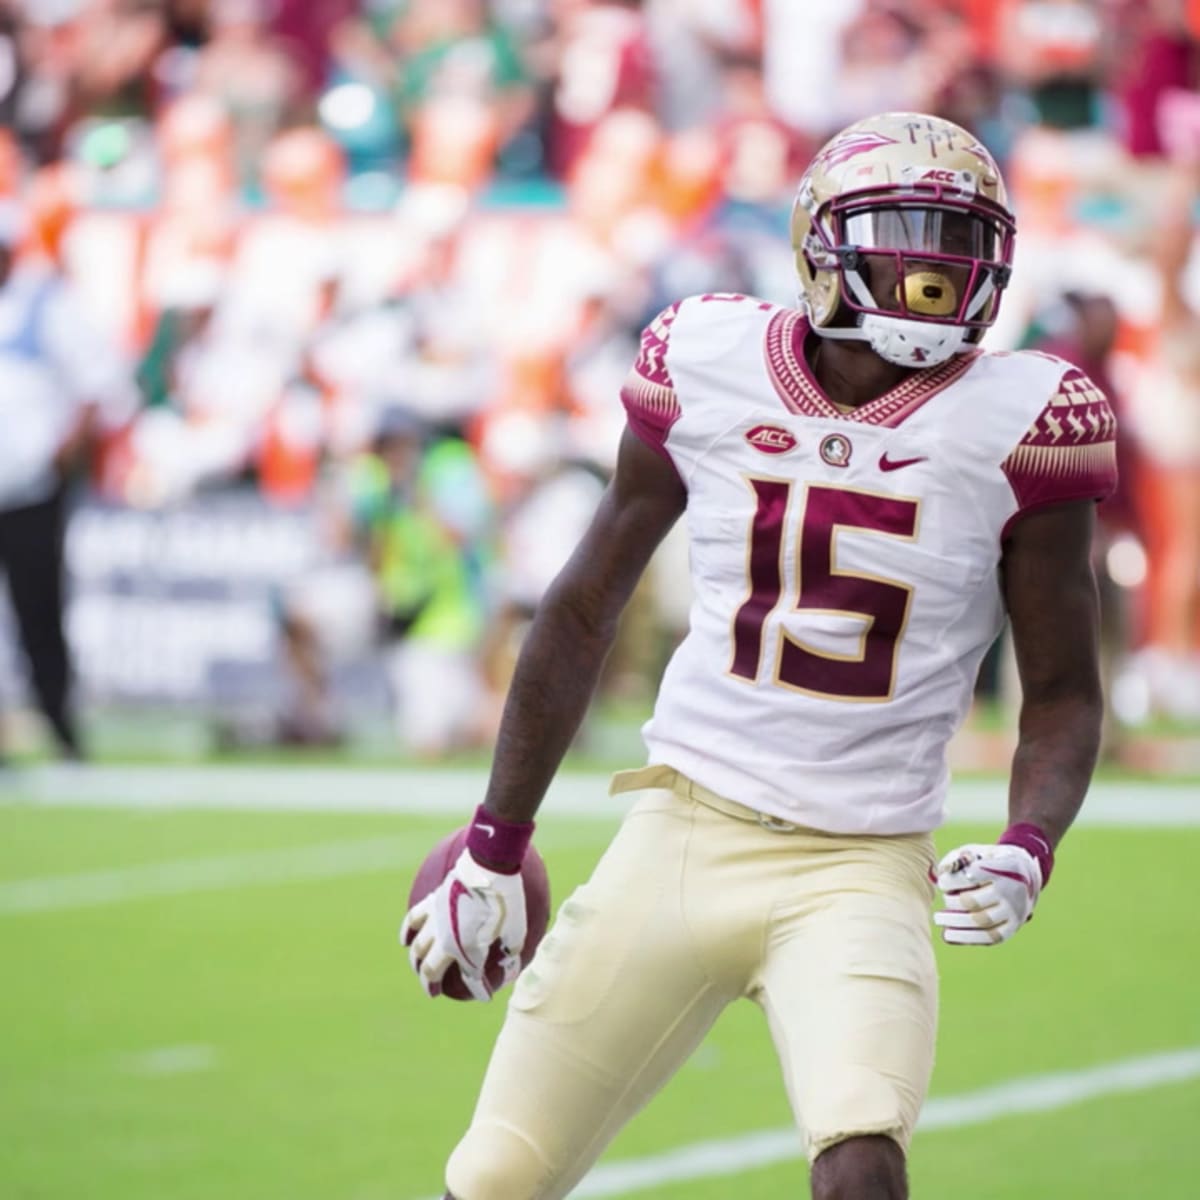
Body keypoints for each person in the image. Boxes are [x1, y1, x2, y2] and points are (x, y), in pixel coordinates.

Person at [401, 112, 1116, 1200]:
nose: (938, 264)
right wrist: (496, 841)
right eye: (907, 230)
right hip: (684, 831)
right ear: (822, 244)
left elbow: (1063, 689)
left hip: (861, 863)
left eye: (962, 237)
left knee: (863, 1159)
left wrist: (1030, 844)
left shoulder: (1023, 418)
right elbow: (585, 604)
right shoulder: (709, 358)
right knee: (496, 1174)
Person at [0, 197, 137, 763]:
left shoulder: (47, 303)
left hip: (30, 487)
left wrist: (62, 454)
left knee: (39, 610)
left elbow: (100, 383)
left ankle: (59, 726)